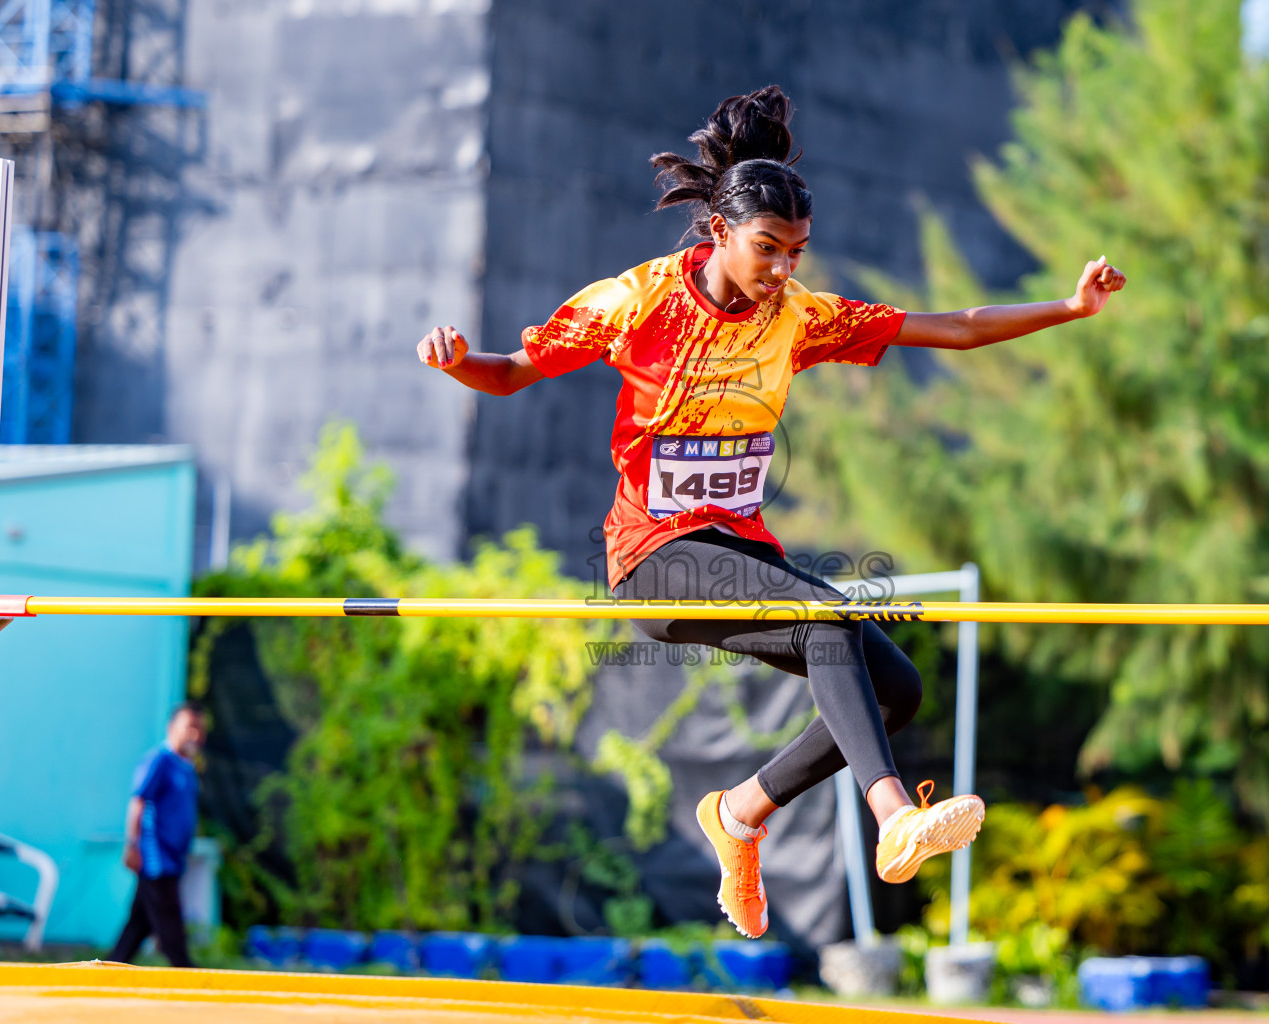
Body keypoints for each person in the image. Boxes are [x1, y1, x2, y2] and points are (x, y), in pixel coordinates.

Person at [417, 86, 1125, 939]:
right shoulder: (635, 301)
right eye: (767, 249)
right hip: (654, 559)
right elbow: (507, 372)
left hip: (737, 548)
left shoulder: (799, 319)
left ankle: (742, 812)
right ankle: (893, 814)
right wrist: (458, 363)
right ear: (719, 233)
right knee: (828, 617)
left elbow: (956, 328)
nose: (783, 270)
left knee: (896, 688)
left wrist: (1070, 307)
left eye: (796, 252)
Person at [106, 701, 205, 967]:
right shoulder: (158, 760)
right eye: (189, 727)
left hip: (174, 859)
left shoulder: (186, 767)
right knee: (170, 926)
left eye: (199, 728)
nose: (195, 735)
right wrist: (132, 846)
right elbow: (138, 802)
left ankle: (108, 969)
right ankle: (187, 976)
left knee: (139, 924)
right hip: (155, 858)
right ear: (172, 727)